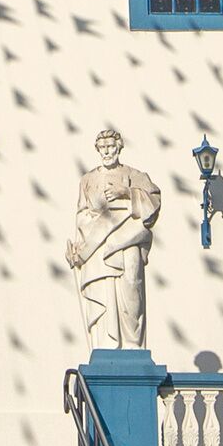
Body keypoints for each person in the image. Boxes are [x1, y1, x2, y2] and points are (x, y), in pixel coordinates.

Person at [65, 129, 162, 349]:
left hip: (128, 241)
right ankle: (106, 346)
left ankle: (132, 345)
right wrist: (80, 249)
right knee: (104, 296)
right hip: (98, 247)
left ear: (119, 147)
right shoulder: (88, 180)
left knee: (131, 290)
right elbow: (82, 214)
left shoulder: (135, 175)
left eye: (110, 146)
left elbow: (153, 202)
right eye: (102, 147)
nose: (107, 151)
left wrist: (126, 192)